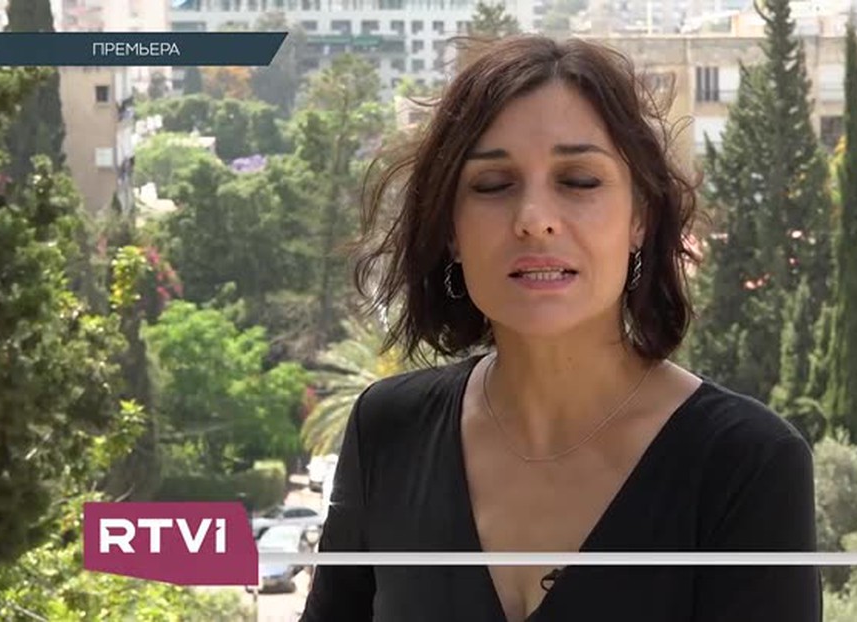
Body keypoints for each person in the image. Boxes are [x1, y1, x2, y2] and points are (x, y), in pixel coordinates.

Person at [300, 35, 819, 622]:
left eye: (578, 180)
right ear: (450, 229)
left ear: (640, 217)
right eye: (493, 185)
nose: (534, 220)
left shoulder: (746, 464)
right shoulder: (388, 432)